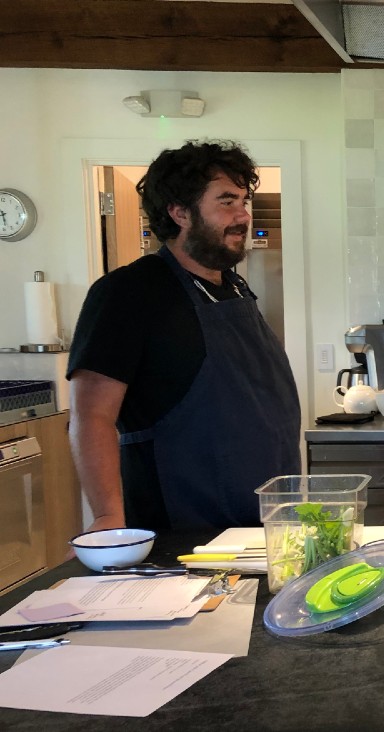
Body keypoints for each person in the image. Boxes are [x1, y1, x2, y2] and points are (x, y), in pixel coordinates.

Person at [68, 139, 301, 532]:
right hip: (182, 533)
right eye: (226, 201)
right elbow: (91, 415)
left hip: (263, 527)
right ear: (179, 212)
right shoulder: (129, 293)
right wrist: (108, 517)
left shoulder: (235, 288)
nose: (243, 215)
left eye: (244, 201)